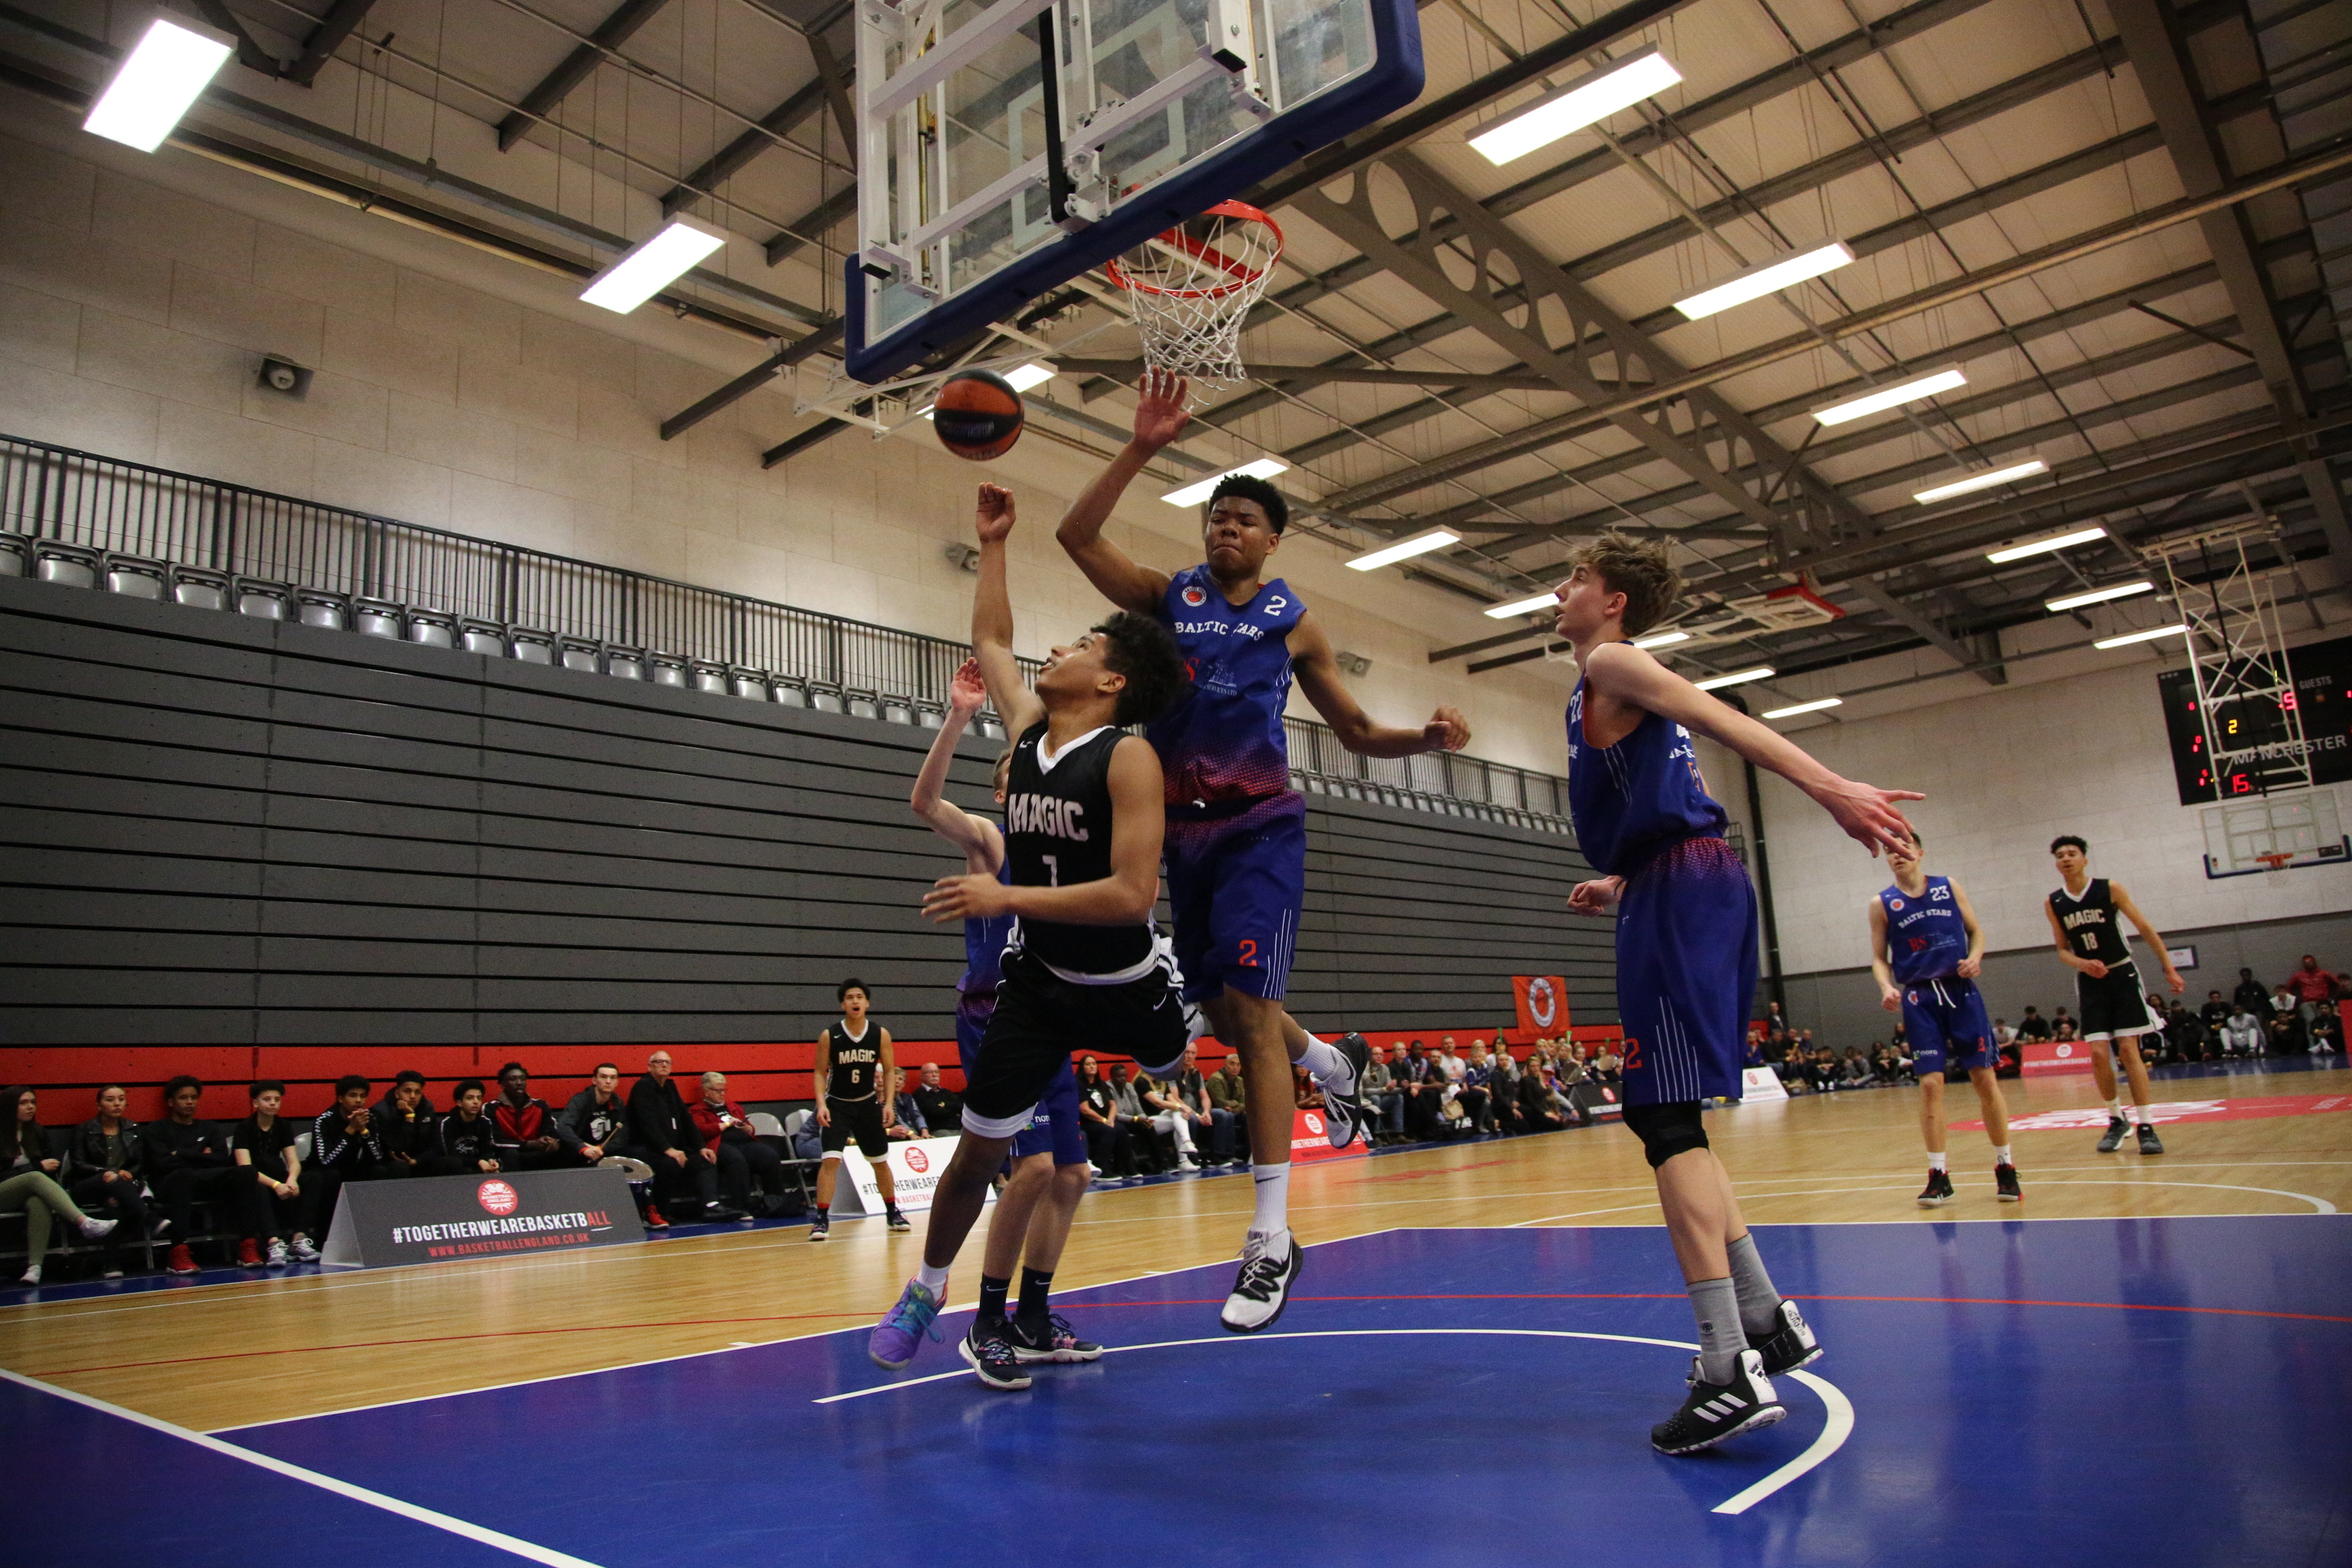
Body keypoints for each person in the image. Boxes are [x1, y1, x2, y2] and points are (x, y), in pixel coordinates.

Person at [1054, 370, 1472, 1319]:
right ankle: (1329, 1062)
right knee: (1223, 1003)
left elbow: (1356, 732)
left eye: (1242, 519)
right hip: (1181, 833)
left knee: (1246, 1015)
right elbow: (1076, 537)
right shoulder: (1168, 599)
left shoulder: (1294, 624)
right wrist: (1140, 446)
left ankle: (1272, 1237)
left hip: (1261, 826)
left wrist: (1424, 739)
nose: (1225, 529)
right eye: (1216, 518)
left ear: (1273, 539)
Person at [1554, 531, 1920, 1455]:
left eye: (1577, 578)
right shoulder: (1605, 684)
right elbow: (1674, 802)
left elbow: (1719, 717)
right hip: (1678, 881)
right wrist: (1627, 879)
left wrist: (1831, 789)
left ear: (1614, 602)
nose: (1560, 591)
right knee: (1669, 1117)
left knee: (1662, 1116)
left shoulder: (1610, 661)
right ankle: (1764, 1315)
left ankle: (1728, 1363)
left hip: (1684, 887)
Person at [867, 491, 1189, 1388]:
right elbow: (992, 641)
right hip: (1040, 985)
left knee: (1176, 1053)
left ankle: (1278, 1046)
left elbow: (1132, 894)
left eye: (1081, 645)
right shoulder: (1029, 732)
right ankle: (928, 1290)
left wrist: (1005, 892)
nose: (1059, 650)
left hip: (1124, 980)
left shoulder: (1127, 757)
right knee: (982, 1146)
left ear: (1112, 682)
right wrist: (993, 544)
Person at [907, 626, 1111, 1375]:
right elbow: (926, 801)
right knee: (1030, 1169)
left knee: (1072, 1174)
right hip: (992, 1019)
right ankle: (984, 1322)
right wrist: (959, 716)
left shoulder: (1063, 856)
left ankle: (1031, 1316)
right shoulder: (993, 843)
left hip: (1049, 1017)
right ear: (1006, 793)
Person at [1868, 832, 2020, 1206]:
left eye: (1903, 848)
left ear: (1919, 852)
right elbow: (1879, 957)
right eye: (1889, 850)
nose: (1897, 854)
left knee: (1984, 1078)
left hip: (1960, 991)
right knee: (1931, 1085)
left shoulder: (1948, 887)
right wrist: (1885, 986)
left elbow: (1976, 931)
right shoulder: (1882, 904)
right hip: (1919, 998)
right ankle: (1939, 1175)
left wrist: (1976, 957)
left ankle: (2005, 1166)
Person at [2045, 835, 2185, 1154]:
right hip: (2090, 980)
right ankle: (2116, 1119)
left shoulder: (2109, 888)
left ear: (2084, 859)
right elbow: (2062, 950)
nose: (2065, 858)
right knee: (2097, 1053)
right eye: (2060, 855)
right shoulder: (2054, 902)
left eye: (2072, 853)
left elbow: (2145, 928)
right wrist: (2083, 963)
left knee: (2128, 1049)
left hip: (2122, 974)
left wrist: (2169, 967)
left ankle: (2146, 1125)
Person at [809, 981, 909, 1238]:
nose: (855, 1001)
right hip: (837, 1104)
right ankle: (821, 1219)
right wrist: (821, 1104)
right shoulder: (829, 1035)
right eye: (850, 997)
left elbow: (889, 1070)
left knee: (880, 1162)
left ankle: (893, 1212)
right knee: (830, 1160)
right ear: (842, 1004)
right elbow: (820, 1073)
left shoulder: (880, 1034)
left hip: (867, 1104)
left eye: (860, 997)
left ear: (867, 1003)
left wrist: (888, 1103)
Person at [5, 1086, 118, 1285]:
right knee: (34, 1177)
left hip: (26, 1192)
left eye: (33, 1102)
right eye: (23, 1103)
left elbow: (50, 1171)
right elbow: (32, 1171)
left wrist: (43, 1169)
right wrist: (37, 1167)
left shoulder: (36, 1131)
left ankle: (34, 1267)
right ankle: (84, 1222)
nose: (30, 1107)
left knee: (39, 1202)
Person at [629, 1052, 741, 1223]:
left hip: (674, 1148)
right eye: (658, 1062)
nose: (663, 1065)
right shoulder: (642, 1088)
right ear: (649, 1067)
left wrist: (701, 1147)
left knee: (706, 1159)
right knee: (669, 1164)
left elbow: (686, 1119)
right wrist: (668, 1149)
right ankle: (660, 1211)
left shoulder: (670, 1087)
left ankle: (710, 1206)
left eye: (667, 1062)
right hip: (650, 1149)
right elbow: (647, 1123)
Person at [147, 1075, 240, 1275]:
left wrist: (182, 1153)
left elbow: (221, 1158)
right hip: (169, 1185)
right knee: (184, 1175)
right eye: (183, 1098)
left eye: (193, 1097)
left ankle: (248, 1245)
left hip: (203, 1182)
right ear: (171, 1102)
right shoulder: (157, 1129)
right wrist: (203, 1156)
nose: (189, 1102)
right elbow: (161, 1163)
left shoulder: (209, 1127)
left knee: (246, 1172)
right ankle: (178, 1251)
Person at [228, 1080, 315, 1268]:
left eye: (277, 1099)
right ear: (255, 1103)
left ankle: (299, 1238)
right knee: (258, 1187)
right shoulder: (244, 1128)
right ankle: (274, 1242)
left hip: (277, 1175)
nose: (273, 1103)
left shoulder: (283, 1125)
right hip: (253, 1179)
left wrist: (292, 1180)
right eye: (267, 1099)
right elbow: (246, 1168)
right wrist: (276, 1185)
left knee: (313, 1179)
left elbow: (293, 1161)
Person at [66, 1085, 154, 1264]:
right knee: (111, 1182)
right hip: (89, 1185)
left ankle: (111, 1263)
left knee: (113, 1202)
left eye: (121, 1099)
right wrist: (111, 1173)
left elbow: (140, 1162)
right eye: (110, 1100)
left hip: (122, 1188)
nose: (117, 1104)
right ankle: (149, 1217)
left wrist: (129, 1173)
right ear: (99, 1105)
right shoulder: (84, 1130)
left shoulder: (133, 1128)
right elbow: (78, 1164)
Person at [689, 1072, 782, 1218]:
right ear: (706, 1091)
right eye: (718, 1091)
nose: (722, 1094)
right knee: (736, 1159)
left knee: (769, 1156)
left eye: (724, 1090)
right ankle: (742, 1206)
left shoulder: (733, 1107)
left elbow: (750, 1128)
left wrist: (747, 1128)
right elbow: (702, 1131)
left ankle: (775, 1201)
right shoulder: (697, 1110)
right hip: (719, 1145)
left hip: (743, 1142)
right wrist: (727, 1124)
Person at [492, 1063, 572, 1170]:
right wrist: (530, 1144)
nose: (519, 1083)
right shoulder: (491, 1108)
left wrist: (552, 1142)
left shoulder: (540, 1105)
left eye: (522, 1079)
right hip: (509, 1154)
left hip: (537, 1152)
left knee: (567, 1149)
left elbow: (552, 1132)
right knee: (510, 1154)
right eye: (513, 1079)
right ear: (502, 1084)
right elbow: (496, 1141)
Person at [373, 1071, 437, 1176]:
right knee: (399, 1167)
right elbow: (397, 1150)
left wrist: (417, 1160)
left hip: (419, 1159)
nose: (413, 1096)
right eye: (407, 1091)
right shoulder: (381, 1112)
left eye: (418, 1092)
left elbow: (435, 1145)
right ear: (397, 1093)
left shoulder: (427, 1109)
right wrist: (409, 1117)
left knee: (448, 1163)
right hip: (393, 1163)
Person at [1076, 1057, 1129, 1178]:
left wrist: (1110, 1119)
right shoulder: (1079, 1084)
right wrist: (1104, 1120)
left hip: (1105, 1121)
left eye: (1094, 1064)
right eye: (1088, 1064)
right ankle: (1102, 1168)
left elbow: (1113, 1105)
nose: (1092, 1066)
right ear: (1082, 1067)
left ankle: (1122, 1167)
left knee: (1121, 1129)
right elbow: (1085, 1109)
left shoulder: (1101, 1084)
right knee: (1107, 1131)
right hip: (1087, 1122)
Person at [1361, 1045, 1403, 1143]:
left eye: (1381, 1054)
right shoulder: (1364, 1068)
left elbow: (1389, 1089)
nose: (1379, 1056)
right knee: (1376, 1098)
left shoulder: (1385, 1068)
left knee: (1399, 1097)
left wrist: (1402, 1088)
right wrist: (1384, 1089)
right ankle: (1376, 1135)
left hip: (1381, 1099)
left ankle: (1398, 1134)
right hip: (1367, 1101)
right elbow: (1365, 1091)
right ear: (1370, 1056)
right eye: (1376, 1054)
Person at [911, 1064, 961, 1134]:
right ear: (922, 1076)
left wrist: (945, 1105)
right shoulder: (920, 1094)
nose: (934, 1075)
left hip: (957, 1128)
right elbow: (934, 1113)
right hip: (938, 1130)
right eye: (930, 1072)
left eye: (936, 1072)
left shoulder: (945, 1092)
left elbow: (961, 1106)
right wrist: (954, 1112)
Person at [889, 1070, 929, 1140]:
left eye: (900, 1079)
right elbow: (898, 1121)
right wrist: (911, 1134)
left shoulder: (908, 1097)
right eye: (894, 1079)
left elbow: (918, 1115)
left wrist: (924, 1130)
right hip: (902, 1136)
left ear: (904, 1084)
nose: (897, 1081)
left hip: (917, 1133)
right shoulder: (887, 1101)